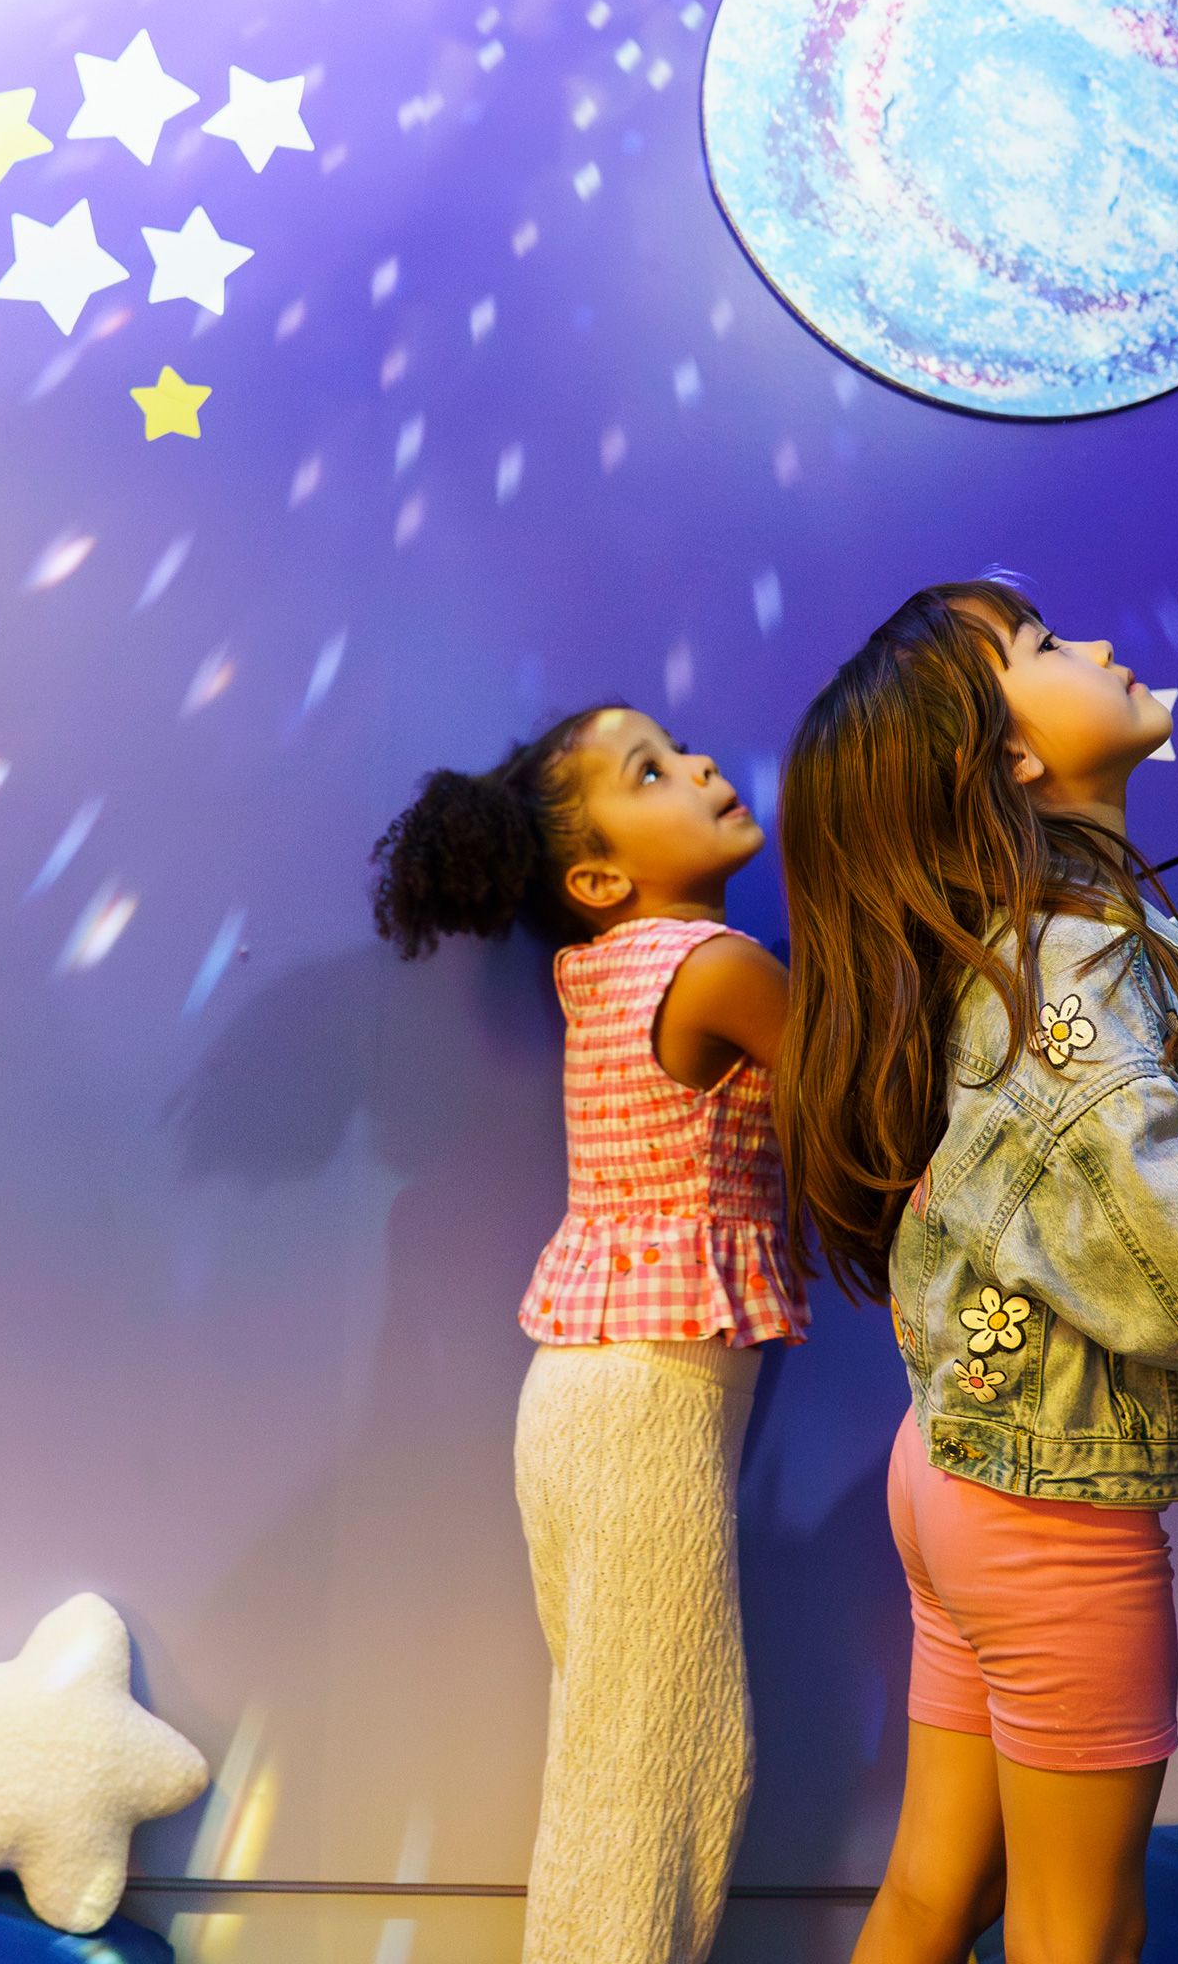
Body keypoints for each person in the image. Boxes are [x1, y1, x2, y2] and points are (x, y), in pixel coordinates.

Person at [775, 579, 1178, 1964]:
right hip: (1048, 1513)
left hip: (953, 1468)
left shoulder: (1030, 948)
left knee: (938, 1892)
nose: (1104, 644)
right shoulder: (1069, 973)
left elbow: (1174, 1054)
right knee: (1079, 1931)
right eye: (1047, 646)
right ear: (1009, 760)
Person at [371, 703, 807, 1964]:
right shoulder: (716, 968)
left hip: (585, 1404)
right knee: (665, 1765)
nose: (707, 765)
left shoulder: (604, 968)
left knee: (629, 1757)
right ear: (600, 874)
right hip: (644, 1411)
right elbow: (868, 1105)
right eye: (655, 770)